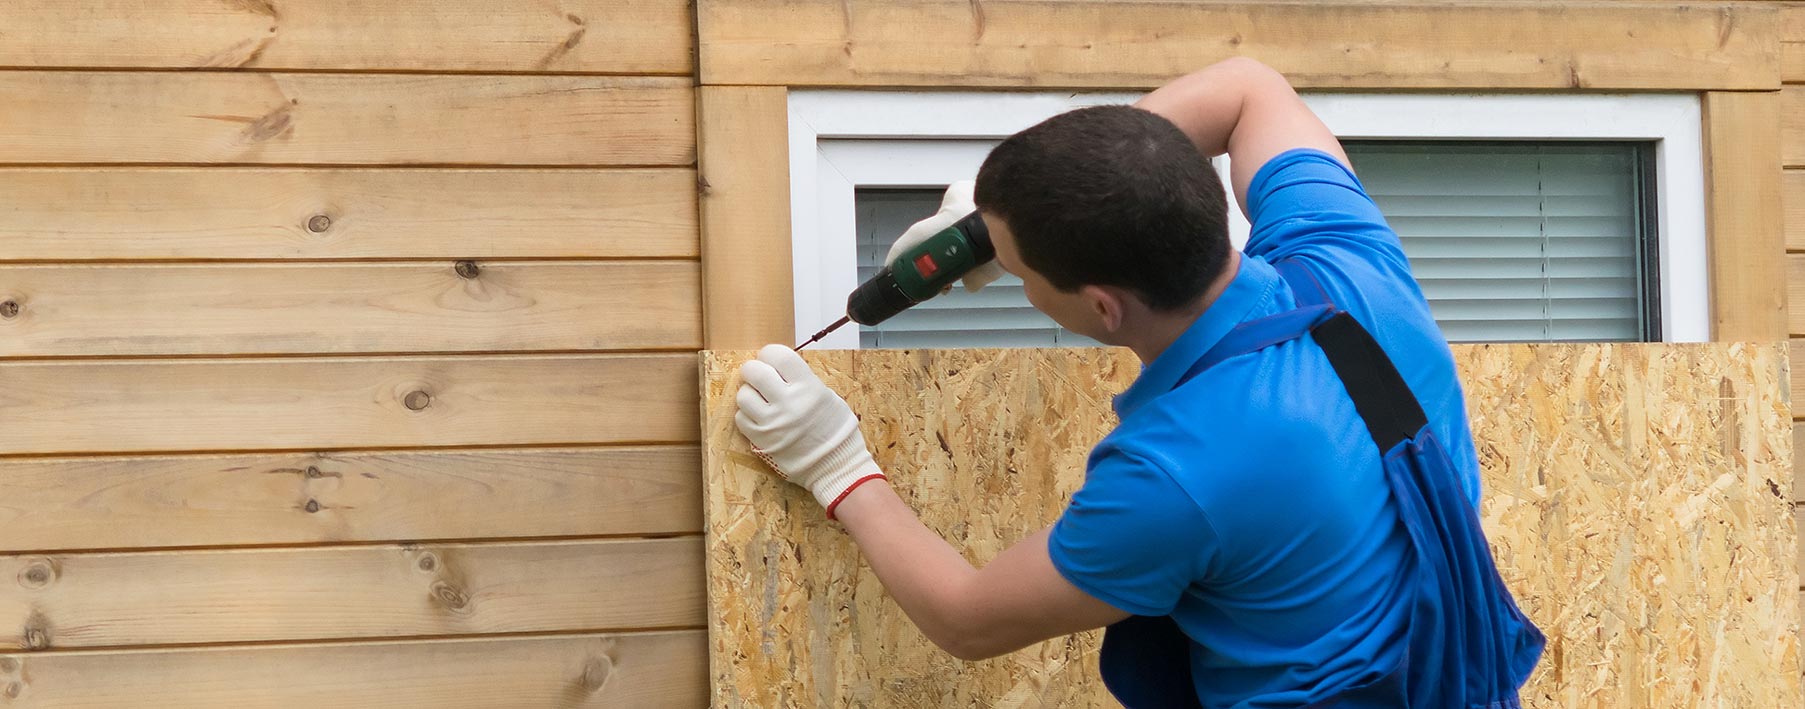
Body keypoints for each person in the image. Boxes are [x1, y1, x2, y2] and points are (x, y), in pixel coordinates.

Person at [734, 57, 1544, 708]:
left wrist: (841, 468)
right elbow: (1249, 87)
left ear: (1101, 309)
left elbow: (967, 618)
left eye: (1017, 272)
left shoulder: (1175, 473)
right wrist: (1019, 208)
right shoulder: (1344, 259)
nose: (1008, 276)